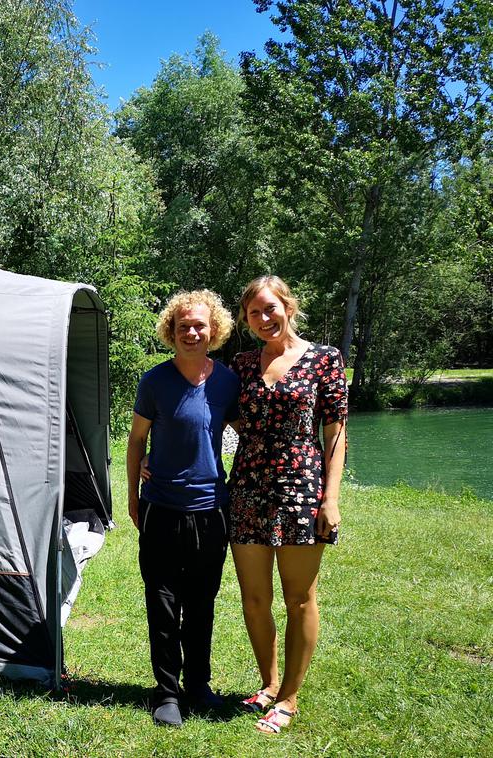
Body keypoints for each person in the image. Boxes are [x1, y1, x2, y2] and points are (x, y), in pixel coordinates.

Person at [227, 275, 347, 735]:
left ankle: (290, 698)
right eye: (254, 313)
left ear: (288, 307)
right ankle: (269, 682)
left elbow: (335, 434)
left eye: (270, 309)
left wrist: (329, 499)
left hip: (302, 487)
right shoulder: (239, 364)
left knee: (299, 599)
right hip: (247, 488)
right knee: (254, 599)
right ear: (246, 320)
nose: (263, 319)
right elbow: (213, 411)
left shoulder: (324, 360)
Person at [127, 290, 239, 727]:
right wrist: (134, 495)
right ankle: (166, 692)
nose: (191, 332)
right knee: (163, 600)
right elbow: (137, 440)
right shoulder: (155, 382)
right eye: (182, 326)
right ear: (170, 333)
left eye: (199, 325)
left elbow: (250, 430)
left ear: (214, 331)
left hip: (212, 510)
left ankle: (198, 684)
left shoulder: (228, 381)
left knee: (202, 602)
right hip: (162, 508)